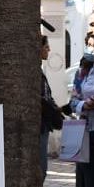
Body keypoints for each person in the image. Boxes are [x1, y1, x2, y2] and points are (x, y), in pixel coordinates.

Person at [69, 37, 94, 187]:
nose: (89, 49)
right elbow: (73, 101)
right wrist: (84, 105)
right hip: (84, 130)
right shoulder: (82, 71)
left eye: (93, 45)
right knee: (86, 179)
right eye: (88, 45)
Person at [40, 36, 63, 177]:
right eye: (46, 47)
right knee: (41, 168)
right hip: (40, 125)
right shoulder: (35, 73)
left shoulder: (40, 72)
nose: (49, 50)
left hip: (45, 125)